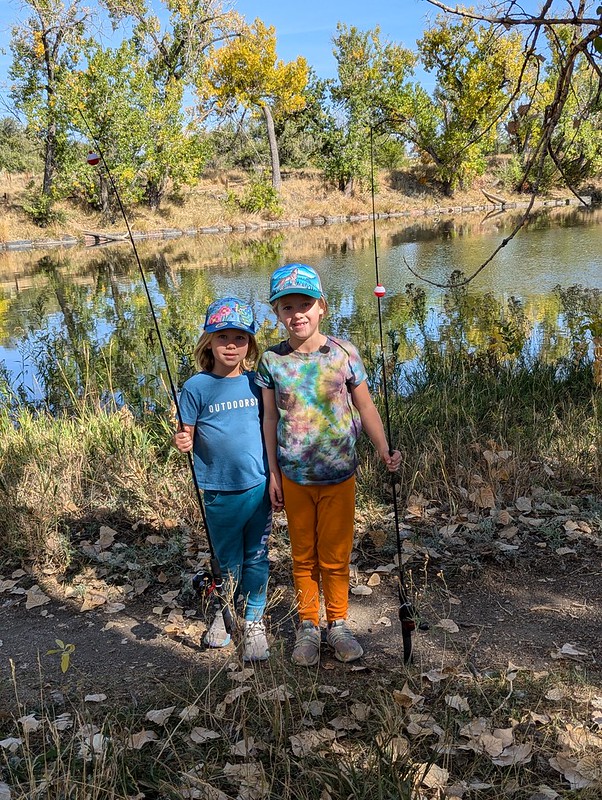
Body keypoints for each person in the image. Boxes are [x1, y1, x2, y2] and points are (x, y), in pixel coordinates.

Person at [255, 263, 401, 666]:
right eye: (287, 307)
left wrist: (384, 449)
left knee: (335, 555)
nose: (297, 313)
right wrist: (272, 473)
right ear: (277, 313)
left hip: (339, 474)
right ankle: (308, 626)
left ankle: (337, 623)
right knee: (303, 556)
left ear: (322, 307)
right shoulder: (270, 361)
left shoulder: (343, 353)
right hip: (294, 476)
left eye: (305, 304)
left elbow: (365, 405)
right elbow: (269, 418)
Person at [174, 297, 271, 662]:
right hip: (217, 491)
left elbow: (272, 427)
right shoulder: (196, 387)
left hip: (259, 486)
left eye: (240, 338)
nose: (231, 345)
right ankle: (222, 612)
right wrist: (181, 439)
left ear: (250, 345)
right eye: (223, 337)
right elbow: (185, 433)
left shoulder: (257, 383)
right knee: (226, 559)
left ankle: (254, 621)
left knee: (257, 556)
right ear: (208, 343)